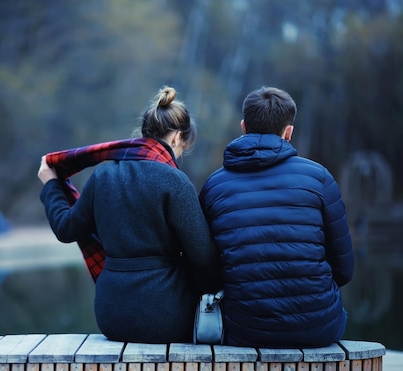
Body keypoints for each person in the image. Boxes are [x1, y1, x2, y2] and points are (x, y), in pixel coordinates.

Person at [37, 86, 218, 344]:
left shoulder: (102, 176)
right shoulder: (175, 182)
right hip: (167, 318)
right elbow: (204, 256)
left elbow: (66, 229)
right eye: (182, 147)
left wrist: (51, 186)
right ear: (178, 138)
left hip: (111, 317)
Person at [199, 86, 354, 348]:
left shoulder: (214, 185)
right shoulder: (320, 178)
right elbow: (344, 269)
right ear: (289, 132)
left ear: (244, 127)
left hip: (243, 329)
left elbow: (206, 268)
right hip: (318, 327)